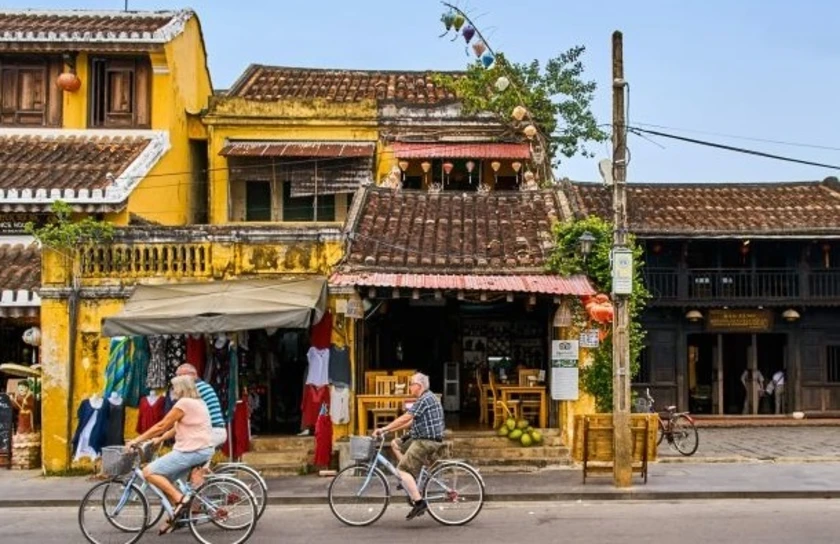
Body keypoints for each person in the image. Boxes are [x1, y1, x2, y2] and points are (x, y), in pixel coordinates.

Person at [126, 375, 213, 534]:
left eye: (174, 388)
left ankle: (181, 500)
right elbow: (175, 427)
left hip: (191, 450)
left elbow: (161, 425)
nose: (172, 392)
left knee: (149, 472)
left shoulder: (184, 403)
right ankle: (176, 516)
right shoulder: (198, 403)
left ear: (181, 388)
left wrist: (136, 440)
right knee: (164, 480)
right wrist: (159, 439)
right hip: (202, 449)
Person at [373, 372, 445, 521]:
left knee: (401, 470)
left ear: (418, 386)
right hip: (420, 437)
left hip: (426, 441)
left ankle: (419, 502)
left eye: (411, 384)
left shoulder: (424, 399)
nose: (409, 386)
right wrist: (391, 430)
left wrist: (384, 428)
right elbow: (410, 421)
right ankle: (410, 478)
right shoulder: (426, 397)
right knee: (395, 444)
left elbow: (406, 417)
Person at [175, 363, 227, 447]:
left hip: (211, 431)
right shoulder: (203, 386)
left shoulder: (195, 389)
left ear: (193, 375)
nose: (178, 380)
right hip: (214, 430)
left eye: (181, 376)